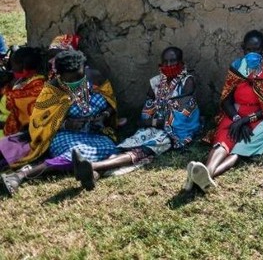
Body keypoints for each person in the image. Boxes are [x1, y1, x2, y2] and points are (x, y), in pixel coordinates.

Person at [72, 47, 201, 190]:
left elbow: (183, 114)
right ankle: (94, 175)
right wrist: (153, 121)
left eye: (173, 61)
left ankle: (93, 166)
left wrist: (156, 121)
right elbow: (146, 112)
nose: (169, 65)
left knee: (142, 150)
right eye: (166, 62)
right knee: (128, 144)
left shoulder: (187, 81)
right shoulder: (156, 82)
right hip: (153, 127)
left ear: (181, 62)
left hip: (174, 133)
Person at [184, 30, 263, 193]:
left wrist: (245, 121)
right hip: (235, 112)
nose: (252, 54)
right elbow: (226, 99)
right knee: (223, 141)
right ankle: (206, 173)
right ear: (243, 49)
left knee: (240, 149)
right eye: (248, 50)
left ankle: (203, 176)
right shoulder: (237, 66)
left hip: (262, 116)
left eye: (256, 50)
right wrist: (236, 118)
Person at [1, 50, 118, 196]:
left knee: (111, 149)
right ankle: (21, 175)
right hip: (66, 135)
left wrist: (105, 115)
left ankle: (89, 170)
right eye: (70, 80)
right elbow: (40, 121)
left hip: (97, 134)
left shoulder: (95, 77)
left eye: (79, 77)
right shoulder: (51, 89)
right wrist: (66, 124)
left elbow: (111, 103)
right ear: (59, 75)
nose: (76, 83)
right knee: (72, 154)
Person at [0, 47, 46, 169]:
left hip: (26, 133)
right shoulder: (22, 81)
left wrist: (7, 88)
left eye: (14, 66)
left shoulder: (38, 87)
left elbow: (12, 102)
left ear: (24, 68)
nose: (12, 69)